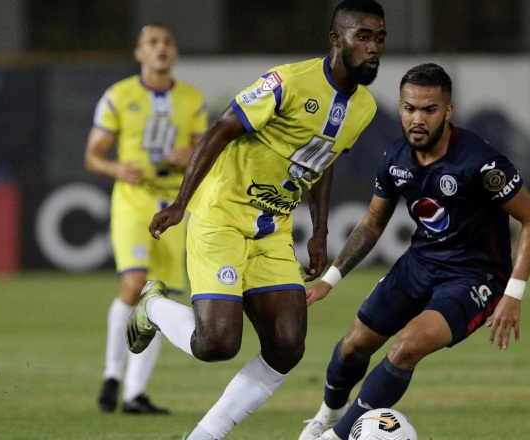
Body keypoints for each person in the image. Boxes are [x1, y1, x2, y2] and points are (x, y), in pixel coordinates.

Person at [124, 1, 387, 438]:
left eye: (379, 38)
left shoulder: (365, 109)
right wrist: (181, 203)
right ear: (336, 38)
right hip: (221, 217)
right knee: (216, 344)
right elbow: (221, 128)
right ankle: (151, 306)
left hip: (273, 229)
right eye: (363, 36)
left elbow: (325, 160)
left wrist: (319, 230)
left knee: (287, 346)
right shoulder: (288, 82)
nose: (374, 47)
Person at [298, 63, 530, 440]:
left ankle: (336, 438)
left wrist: (513, 294)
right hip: (419, 264)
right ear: (400, 107)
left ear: (447, 111)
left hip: (473, 277)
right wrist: (329, 281)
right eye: (409, 108)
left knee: (405, 348)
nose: (417, 119)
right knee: (352, 347)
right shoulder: (396, 158)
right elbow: (371, 223)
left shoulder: (481, 162)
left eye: (429, 110)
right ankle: (327, 418)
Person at [85, 23, 208, 414]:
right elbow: (93, 154)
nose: (161, 49)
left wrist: (189, 153)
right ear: (139, 53)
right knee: (134, 283)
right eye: (152, 43)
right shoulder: (119, 96)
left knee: (161, 298)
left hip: (173, 205)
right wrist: (117, 168)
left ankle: (135, 394)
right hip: (134, 202)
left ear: (174, 52)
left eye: (168, 42)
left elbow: (204, 150)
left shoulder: (192, 100)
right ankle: (111, 375)